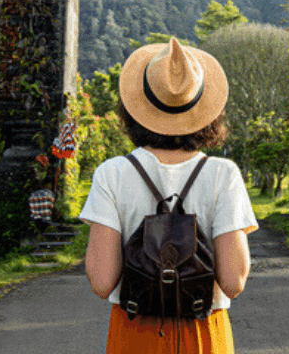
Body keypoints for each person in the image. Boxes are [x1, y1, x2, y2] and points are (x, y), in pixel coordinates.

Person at [79, 38, 259, 353]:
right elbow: (233, 281)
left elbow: (101, 281)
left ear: (135, 108)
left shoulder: (112, 173)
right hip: (205, 332)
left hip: (134, 332)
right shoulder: (223, 174)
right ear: (206, 110)